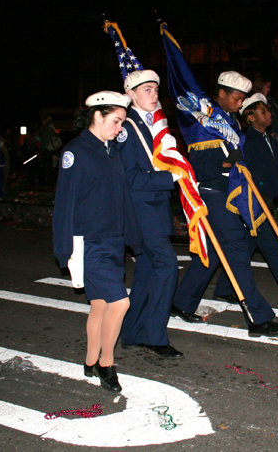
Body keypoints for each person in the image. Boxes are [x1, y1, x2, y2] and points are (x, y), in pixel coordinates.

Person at [172, 71, 278, 337]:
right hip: (213, 193)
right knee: (237, 249)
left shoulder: (231, 123)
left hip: (231, 193)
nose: (240, 104)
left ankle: (181, 302)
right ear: (222, 94)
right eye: (237, 99)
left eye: (242, 100)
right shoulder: (204, 123)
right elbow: (200, 168)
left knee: (216, 252)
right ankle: (259, 318)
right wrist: (229, 162)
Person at [52, 90, 140, 392]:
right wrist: (64, 250)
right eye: (116, 121)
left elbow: (121, 196)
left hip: (113, 241)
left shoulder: (110, 150)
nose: (119, 129)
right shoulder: (76, 151)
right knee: (120, 302)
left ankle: (90, 361)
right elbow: (64, 203)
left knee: (101, 306)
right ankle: (106, 363)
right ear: (97, 117)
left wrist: (130, 236)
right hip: (89, 243)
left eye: (122, 123)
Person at [212, 93, 278, 312]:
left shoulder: (270, 140)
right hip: (254, 204)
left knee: (242, 249)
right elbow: (244, 174)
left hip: (266, 203)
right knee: (275, 250)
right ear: (251, 117)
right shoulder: (247, 141)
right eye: (263, 111)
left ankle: (224, 289)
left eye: (268, 110)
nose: (269, 114)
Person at [115, 70, 184, 360]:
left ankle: (131, 332)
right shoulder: (127, 129)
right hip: (141, 213)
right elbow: (129, 178)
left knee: (146, 272)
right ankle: (154, 336)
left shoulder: (154, 125)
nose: (154, 95)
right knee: (167, 267)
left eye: (156, 89)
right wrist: (170, 179)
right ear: (131, 95)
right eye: (147, 90)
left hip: (153, 210)